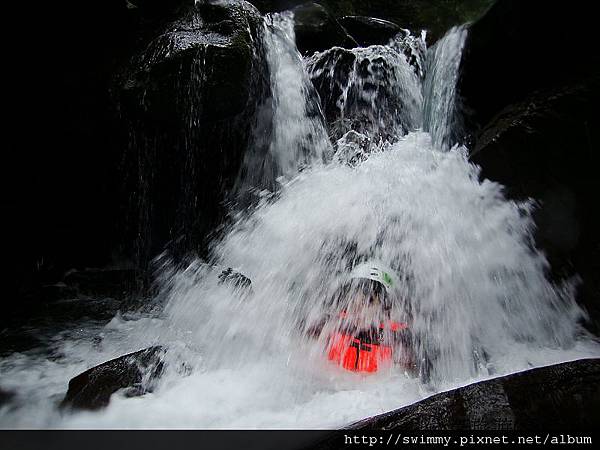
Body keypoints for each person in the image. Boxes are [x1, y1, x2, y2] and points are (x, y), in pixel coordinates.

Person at [306, 262, 418, 374]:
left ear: (387, 307)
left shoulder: (399, 341)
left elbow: (409, 380)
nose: (356, 307)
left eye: (368, 300)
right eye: (353, 298)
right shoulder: (330, 325)